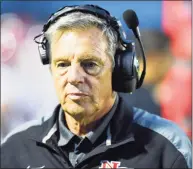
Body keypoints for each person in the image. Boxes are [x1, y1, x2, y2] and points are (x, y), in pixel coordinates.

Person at [1, 4, 191, 169]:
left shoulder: (166, 147)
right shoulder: (14, 149)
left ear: (119, 68)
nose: (74, 77)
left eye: (90, 64)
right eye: (63, 64)